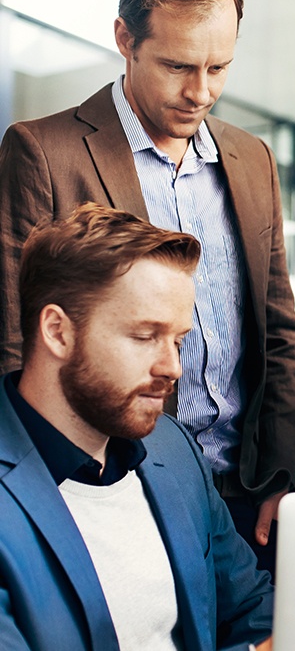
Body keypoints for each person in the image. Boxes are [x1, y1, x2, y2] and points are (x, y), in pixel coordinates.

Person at [0, 0, 295, 569]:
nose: (200, 92)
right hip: (111, 487)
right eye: (177, 66)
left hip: (247, 495)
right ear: (124, 38)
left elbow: (277, 330)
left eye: (219, 68)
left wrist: (279, 472)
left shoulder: (252, 159)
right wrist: (44, 492)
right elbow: (14, 338)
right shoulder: (42, 151)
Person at [0, 203, 273, 650]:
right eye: (145, 337)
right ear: (57, 331)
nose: (173, 367)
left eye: (179, 340)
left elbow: (252, 609)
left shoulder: (174, 449)